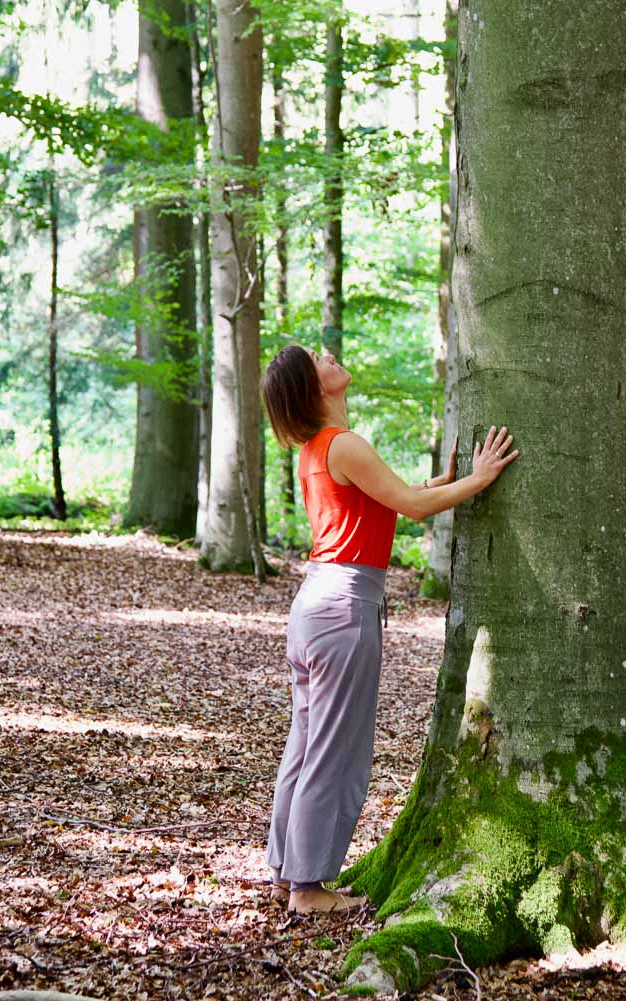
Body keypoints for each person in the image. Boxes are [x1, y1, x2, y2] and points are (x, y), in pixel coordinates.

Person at [258, 343, 519, 913]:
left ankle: (287, 870)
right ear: (315, 386)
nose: (330, 356)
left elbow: (387, 503)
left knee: (305, 747)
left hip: (317, 606)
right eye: (318, 359)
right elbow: (413, 508)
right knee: (335, 753)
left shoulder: (316, 450)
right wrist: (480, 479)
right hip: (344, 608)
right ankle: (307, 888)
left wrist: (440, 482)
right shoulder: (344, 445)